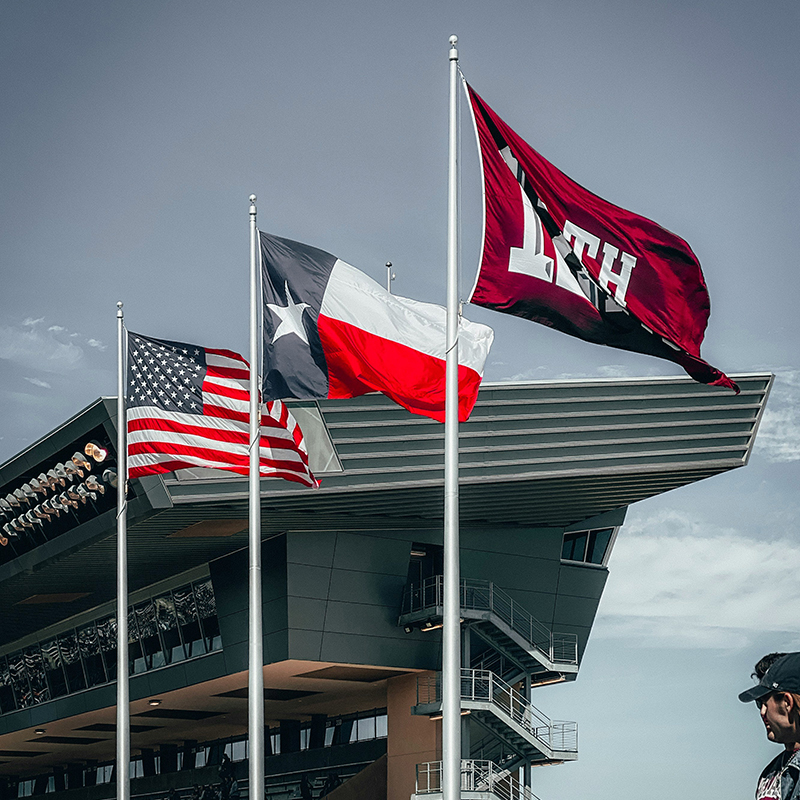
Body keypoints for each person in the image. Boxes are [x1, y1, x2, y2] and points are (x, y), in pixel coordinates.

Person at [740, 652, 800, 799]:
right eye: (759, 704)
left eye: (764, 702)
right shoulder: (772, 771)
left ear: (787, 702)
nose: (762, 712)